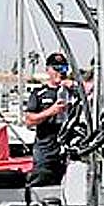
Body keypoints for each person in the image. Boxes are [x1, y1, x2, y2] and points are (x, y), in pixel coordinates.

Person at [25, 52, 75, 186]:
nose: (60, 73)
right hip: (46, 150)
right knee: (41, 182)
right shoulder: (39, 94)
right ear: (48, 70)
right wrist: (50, 111)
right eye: (56, 69)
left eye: (63, 69)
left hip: (68, 150)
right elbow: (29, 120)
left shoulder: (72, 92)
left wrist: (75, 87)